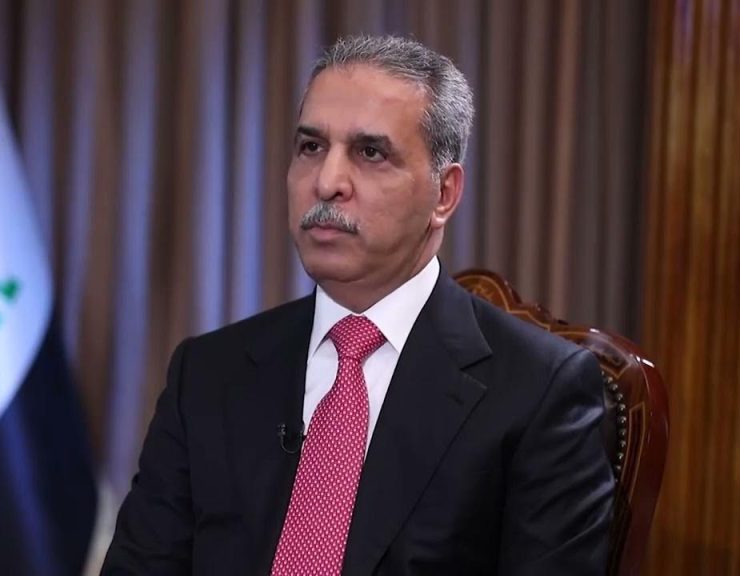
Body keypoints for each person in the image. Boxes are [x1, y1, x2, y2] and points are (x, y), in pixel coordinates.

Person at [102, 35, 613, 575]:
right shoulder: (207, 374)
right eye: (311, 147)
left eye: (370, 153)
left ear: (444, 194)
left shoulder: (539, 391)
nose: (327, 182)